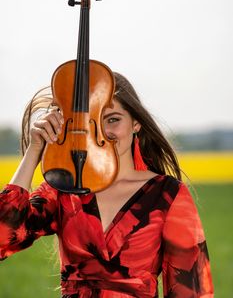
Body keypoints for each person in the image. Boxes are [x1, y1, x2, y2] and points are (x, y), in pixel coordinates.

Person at [0, 72, 214, 297]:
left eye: (112, 119)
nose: (101, 132)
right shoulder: (64, 188)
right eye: (91, 122)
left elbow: (193, 290)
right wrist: (35, 150)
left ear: (136, 123)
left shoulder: (168, 194)